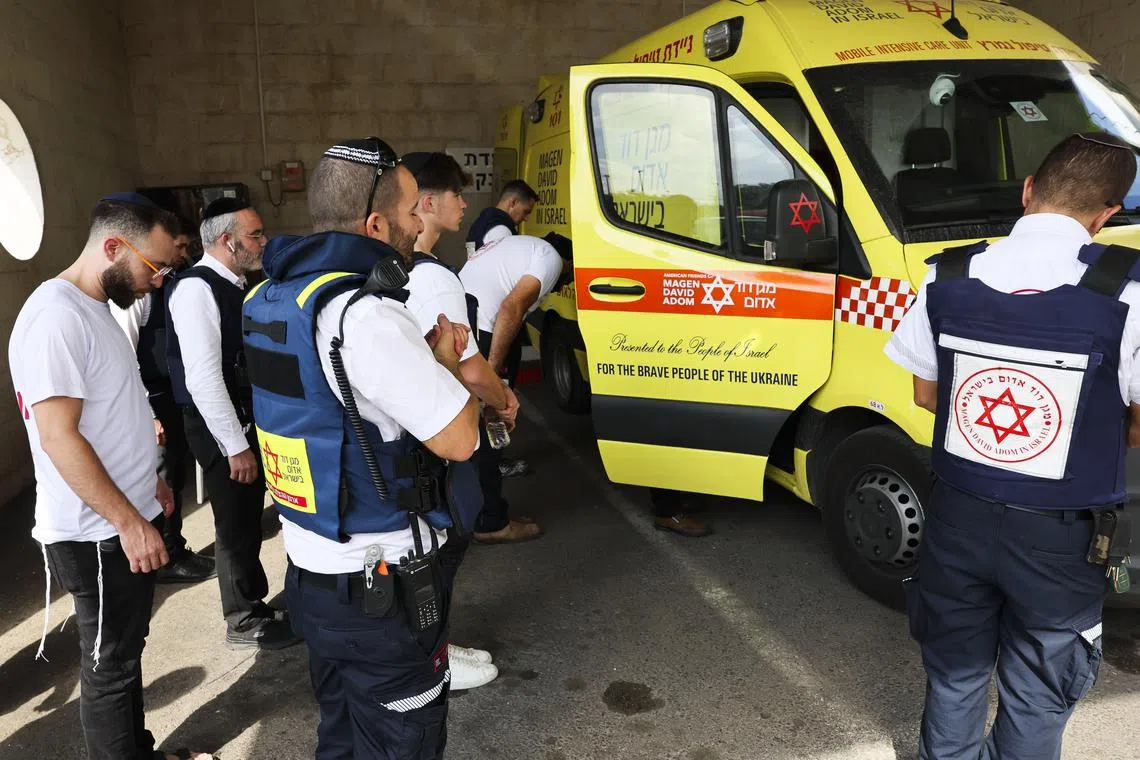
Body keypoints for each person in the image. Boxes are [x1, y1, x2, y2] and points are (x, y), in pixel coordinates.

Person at [884, 131, 1140, 760]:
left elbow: (926, 394)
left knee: (955, 672)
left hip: (957, 516)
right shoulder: (1128, 291)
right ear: (1107, 214)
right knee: (1039, 691)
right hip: (1063, 536)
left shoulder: (947, 274)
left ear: (1028, 190)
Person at [242, 137, 482, 758]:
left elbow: (339, 405)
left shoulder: (275, 299)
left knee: (343, 734)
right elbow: (460, 439)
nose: (418, 227)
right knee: (401, 741)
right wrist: (446, 361)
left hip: (311, 573)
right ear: (375, 225)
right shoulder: (364, 316)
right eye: (410, 214)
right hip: (382, 588)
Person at [8, 192, 217, 760]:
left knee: (124, 653)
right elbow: (59, 437)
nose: (159, 279)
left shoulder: (95, 308)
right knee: (110, 667)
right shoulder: (56, 318)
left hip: (119, 520)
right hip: (97, 534)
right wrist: (128, 521)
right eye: (154, 265)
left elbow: (108, 414)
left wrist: (150, 480)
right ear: (112, 247)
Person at [401, 151, 521, 690]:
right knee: (446, 544)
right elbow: (470, 368)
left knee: (428, 546)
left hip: (410, 430)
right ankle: (430, 659)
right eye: (456, 195)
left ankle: (436, 648)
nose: (465, 205)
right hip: (445, 429)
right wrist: (505, 399)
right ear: (428, 203)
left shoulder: (394, 271)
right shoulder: (433, 278)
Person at [165, 198, 300, 650]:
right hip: (222, 427)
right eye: (255, 235)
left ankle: (253, 604)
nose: (264, 241)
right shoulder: (196, 289)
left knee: (247, 518)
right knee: (235, 523)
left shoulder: (238, 283)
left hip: (243, 420)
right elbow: (203, 377)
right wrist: (234, 446)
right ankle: (242, 619)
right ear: (227, 241)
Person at [111, 218, 217, 583]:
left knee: (176, 471)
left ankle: (175, 546)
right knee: (163, 477)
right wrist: (148, 413)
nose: (182, 254)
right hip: (152, 398)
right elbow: (125, 357)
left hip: (173, 395)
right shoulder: (136, 296)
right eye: (179, 247)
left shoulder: (173, 282)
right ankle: (166, 557)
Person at [459, 231, 571, 543]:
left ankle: (469, 514)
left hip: (459, 325)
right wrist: (491, 374)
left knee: (468, 428)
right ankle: (491, 522)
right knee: (490, 427)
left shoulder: (514, 247)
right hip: (480, 332)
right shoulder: (549, 258)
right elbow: (511, 309)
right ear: (567, 263)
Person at [465, 179, 538, 251]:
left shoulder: (482, 222)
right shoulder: (500, 230)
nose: (526, 218)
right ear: (513, 202)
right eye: (525, 211)